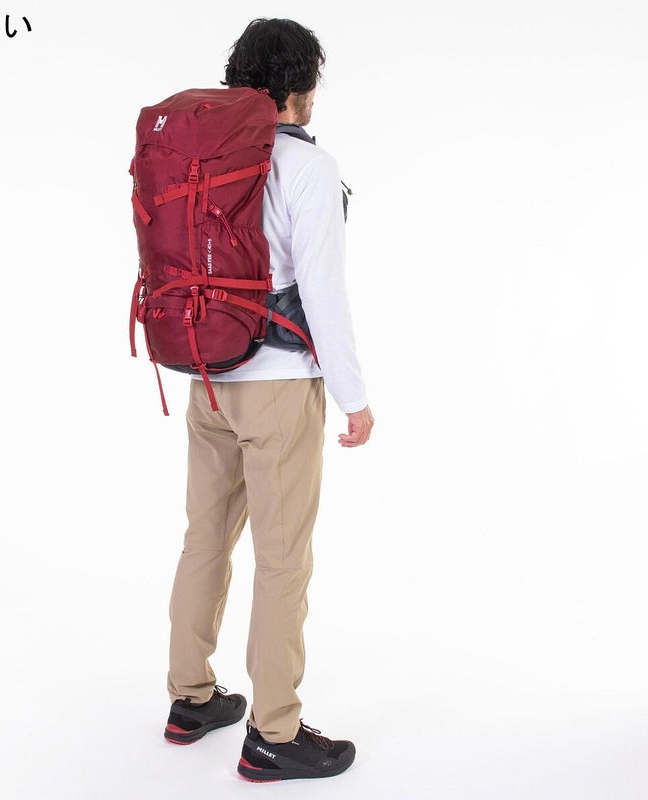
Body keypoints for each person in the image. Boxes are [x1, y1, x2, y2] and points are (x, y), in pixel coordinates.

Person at [162, 17, 374, 782]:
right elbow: (322, 292)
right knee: (282, 562)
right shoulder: (307, 167)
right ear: (297, 88)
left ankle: (190, 699)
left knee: (204, 540)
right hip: (280, 387)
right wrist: (353, 397)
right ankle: (274, 734)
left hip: (208, 377)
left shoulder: (206, 157)